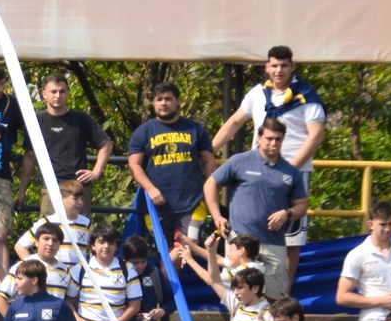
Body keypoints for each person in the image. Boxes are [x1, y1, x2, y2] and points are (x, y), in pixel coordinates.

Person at [214, 46, 328, 274]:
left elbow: (317, 136)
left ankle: (283, 292)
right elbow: (234, 123)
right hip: (257, 170)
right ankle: (248, 287)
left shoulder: (306, 96)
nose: (279, 70)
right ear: (267, 67)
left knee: (291, 237)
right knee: (254, 230)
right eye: (274, 65)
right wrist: (208, 150)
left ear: (292, 67)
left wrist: (289, 171)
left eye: (284, 65)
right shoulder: (257, 93)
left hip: (293, 171)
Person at [202, 117, 306, 299]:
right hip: (241, 243)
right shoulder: (239, 161)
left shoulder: (291, 171)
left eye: (278, 139)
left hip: (274, 243)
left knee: (274, 298)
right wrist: (217, 216)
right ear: (259, 138)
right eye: (269, 138)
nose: (273, 143)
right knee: (239, 296)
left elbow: (302, 205)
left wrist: (287, 213)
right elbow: (210, 184)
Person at [127, 81, 214, 243]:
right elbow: (134, 165)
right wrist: (151, 189)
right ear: (153, 103)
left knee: (190, 245)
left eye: (168, 99)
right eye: (159, 99)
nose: (163, 103)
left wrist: (209, 191)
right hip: (156, 204)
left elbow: (209, 161)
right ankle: (168, 269)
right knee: (164, 253)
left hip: (192, 202)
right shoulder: (143, 132)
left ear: (178, 101)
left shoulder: (195, 129)